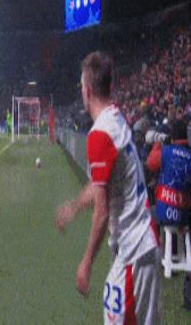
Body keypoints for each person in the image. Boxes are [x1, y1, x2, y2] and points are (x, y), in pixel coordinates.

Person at [55, 51, 161, 324]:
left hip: (133, 249)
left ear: (87, 90)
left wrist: (86, 262)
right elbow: (103, 184)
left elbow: (102, 213)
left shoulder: (100, 134)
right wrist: (74, 207)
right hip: (141, 244)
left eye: (82, 85)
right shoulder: (115, 117)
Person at [146, 118, 191, 226]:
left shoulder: (166, 152)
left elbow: (150, 163)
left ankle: (157, 237)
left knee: (146, 214)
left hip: (163, 210)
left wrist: (158, 142)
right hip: (184, 215)